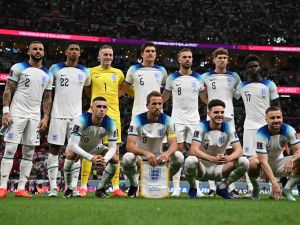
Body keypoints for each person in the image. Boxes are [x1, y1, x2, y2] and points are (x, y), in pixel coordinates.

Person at [0, 41, 53, 198]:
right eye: (35, 49)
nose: (38, 51)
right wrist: (5, 112)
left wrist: (46, 116)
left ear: (43, 53)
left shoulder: (48, 74)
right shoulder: (18, 67)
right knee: (10, 149)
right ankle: (2, 187)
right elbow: (8, 89)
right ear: (28, 51)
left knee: (29, 152)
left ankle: (21, 188)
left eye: (40, 49)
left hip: (34, 116)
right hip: (17, 113)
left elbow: (48, 97)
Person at [80, 45, 128, 197]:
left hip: (114, 115)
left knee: (116, 150)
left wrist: (113, 98)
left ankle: (115, 188)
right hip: (94, 115)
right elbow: (87, 90)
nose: (108, 57)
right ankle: (83, 187)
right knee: (88, 147)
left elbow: (123, 89)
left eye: (110, 55)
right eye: (105, 54)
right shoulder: (91, 71)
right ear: (99, 56)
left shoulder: (119, 73)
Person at [46, 41, 90, 197]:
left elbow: (88, 94)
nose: (74, 52)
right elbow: (48, 93)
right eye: (71, 49)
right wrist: (46, 115)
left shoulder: (85, 71)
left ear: (80, 52)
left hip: (76, 118)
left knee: (75, 152)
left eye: (77, 50)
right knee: (54, 150)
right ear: (66, 51)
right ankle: (52, 188)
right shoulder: (55, 69)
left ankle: (72, 188)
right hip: (58, 115)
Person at [122, 91, 184, 197]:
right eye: (154, 104)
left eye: (160, 104)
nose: (157, 106)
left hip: (159, 159)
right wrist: (146, 153)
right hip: (140, 159)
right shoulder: (137, 120)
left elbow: (174, 144)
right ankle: (134, 184)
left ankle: (164, 179)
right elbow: (129, 145)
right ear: (147, 106)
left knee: (179, 156)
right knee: (127, 158)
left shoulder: (168, 120)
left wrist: (166, 154)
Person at [184, 99, 249, 199]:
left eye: (222, 112)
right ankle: (193, 187)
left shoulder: (229, 127)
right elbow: (193, 150)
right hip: (202, 168)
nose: (220, 115)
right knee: (190, 160)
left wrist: (228, 158)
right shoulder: (201, 126)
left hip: (220, 168)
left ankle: (222, 187)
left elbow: (239, 150)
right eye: (216, 112)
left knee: (244, 161)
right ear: (209, 114)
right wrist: (212, 159)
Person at [162, 48, 204, 197]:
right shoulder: (172, 78)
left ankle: (196, 188)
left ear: (192, 60)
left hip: (194, 120)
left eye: (190, 57)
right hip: (177, 119)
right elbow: (164, 97)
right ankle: (176, 188)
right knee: (177, 152)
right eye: (184, 57)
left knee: (195, 152)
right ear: (179, 59)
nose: (187, 59)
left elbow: (205, 99)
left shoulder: (199, 78)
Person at [236, 54, 280, 197]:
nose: (254, 69)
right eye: (251, 67)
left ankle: (275, 189)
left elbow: (277, 107)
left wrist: (277, 126)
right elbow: (229, 96)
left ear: (259, 67)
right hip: (249, 128)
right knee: (251, 162)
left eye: (256, 66)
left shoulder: (269, 85)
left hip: (267, 128)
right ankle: (253, 189)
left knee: (272, 158)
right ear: (246, 70)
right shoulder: (241, 86)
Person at [200, 48, 241, 197]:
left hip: (228, 117)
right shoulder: (206, 76)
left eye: (225, 57)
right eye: (220, 58)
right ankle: (212, 186)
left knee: (230, 152)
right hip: (211, 118)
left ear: (228, 59)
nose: (222, 60)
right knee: (210, 150)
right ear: (214, 60)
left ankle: (231, 187)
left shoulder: (235, 76)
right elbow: (202, 95)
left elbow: (238, 96)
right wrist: (210, 106)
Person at [63, 96, 119, 198]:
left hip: (95, 147)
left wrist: (105, 160)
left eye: (104, 107)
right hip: (78, 147)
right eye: (98, 106)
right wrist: (91, 157)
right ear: (92, 108)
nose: (102, 109)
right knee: (70, 154)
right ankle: (69, 188)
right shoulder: (81, 120)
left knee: (115, 158)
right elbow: (73, 145)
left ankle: (100, 189)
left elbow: (113, 148)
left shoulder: (111, 123)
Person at [248, 106, 300, 201]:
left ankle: (287, 189)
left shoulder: (289, 130)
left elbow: (298, 150)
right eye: (272, 118)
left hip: (278, 164)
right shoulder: (261, 134)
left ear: (282, 118)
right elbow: (263, 162)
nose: (276, 120)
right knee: (251, 162)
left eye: (278, 117)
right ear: (266, 119)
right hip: (262, 167)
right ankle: (255, 189)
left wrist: (292, 159)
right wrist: (275, 184)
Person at [122, 42, 168, 119]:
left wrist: (159, 102)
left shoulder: (162, 70)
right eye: (148, 51)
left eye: (153, 51)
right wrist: (136, 93)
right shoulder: (133, 69)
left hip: (157, 113)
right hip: (138, 112)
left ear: (155, 54)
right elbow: (125, 88)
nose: (150, 53)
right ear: (142, 54)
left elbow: (167, 90)